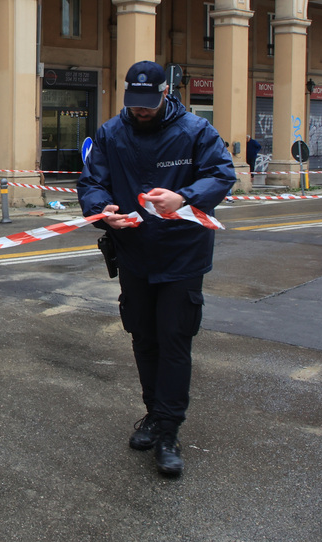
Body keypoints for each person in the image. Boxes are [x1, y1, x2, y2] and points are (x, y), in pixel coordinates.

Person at [77, 61, 236, 477]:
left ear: (166, 93)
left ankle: (168, 430)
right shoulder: (112, 133)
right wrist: (101, 210)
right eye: (135, 103)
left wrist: (183, 198)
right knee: (143, 336)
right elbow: (92, 182)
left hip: (182, 255)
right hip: (133, 251)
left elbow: (222, 173)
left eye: (149, 103)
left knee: (174, 338)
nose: (141, 110)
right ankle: (152, 414)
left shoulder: (196, 131)